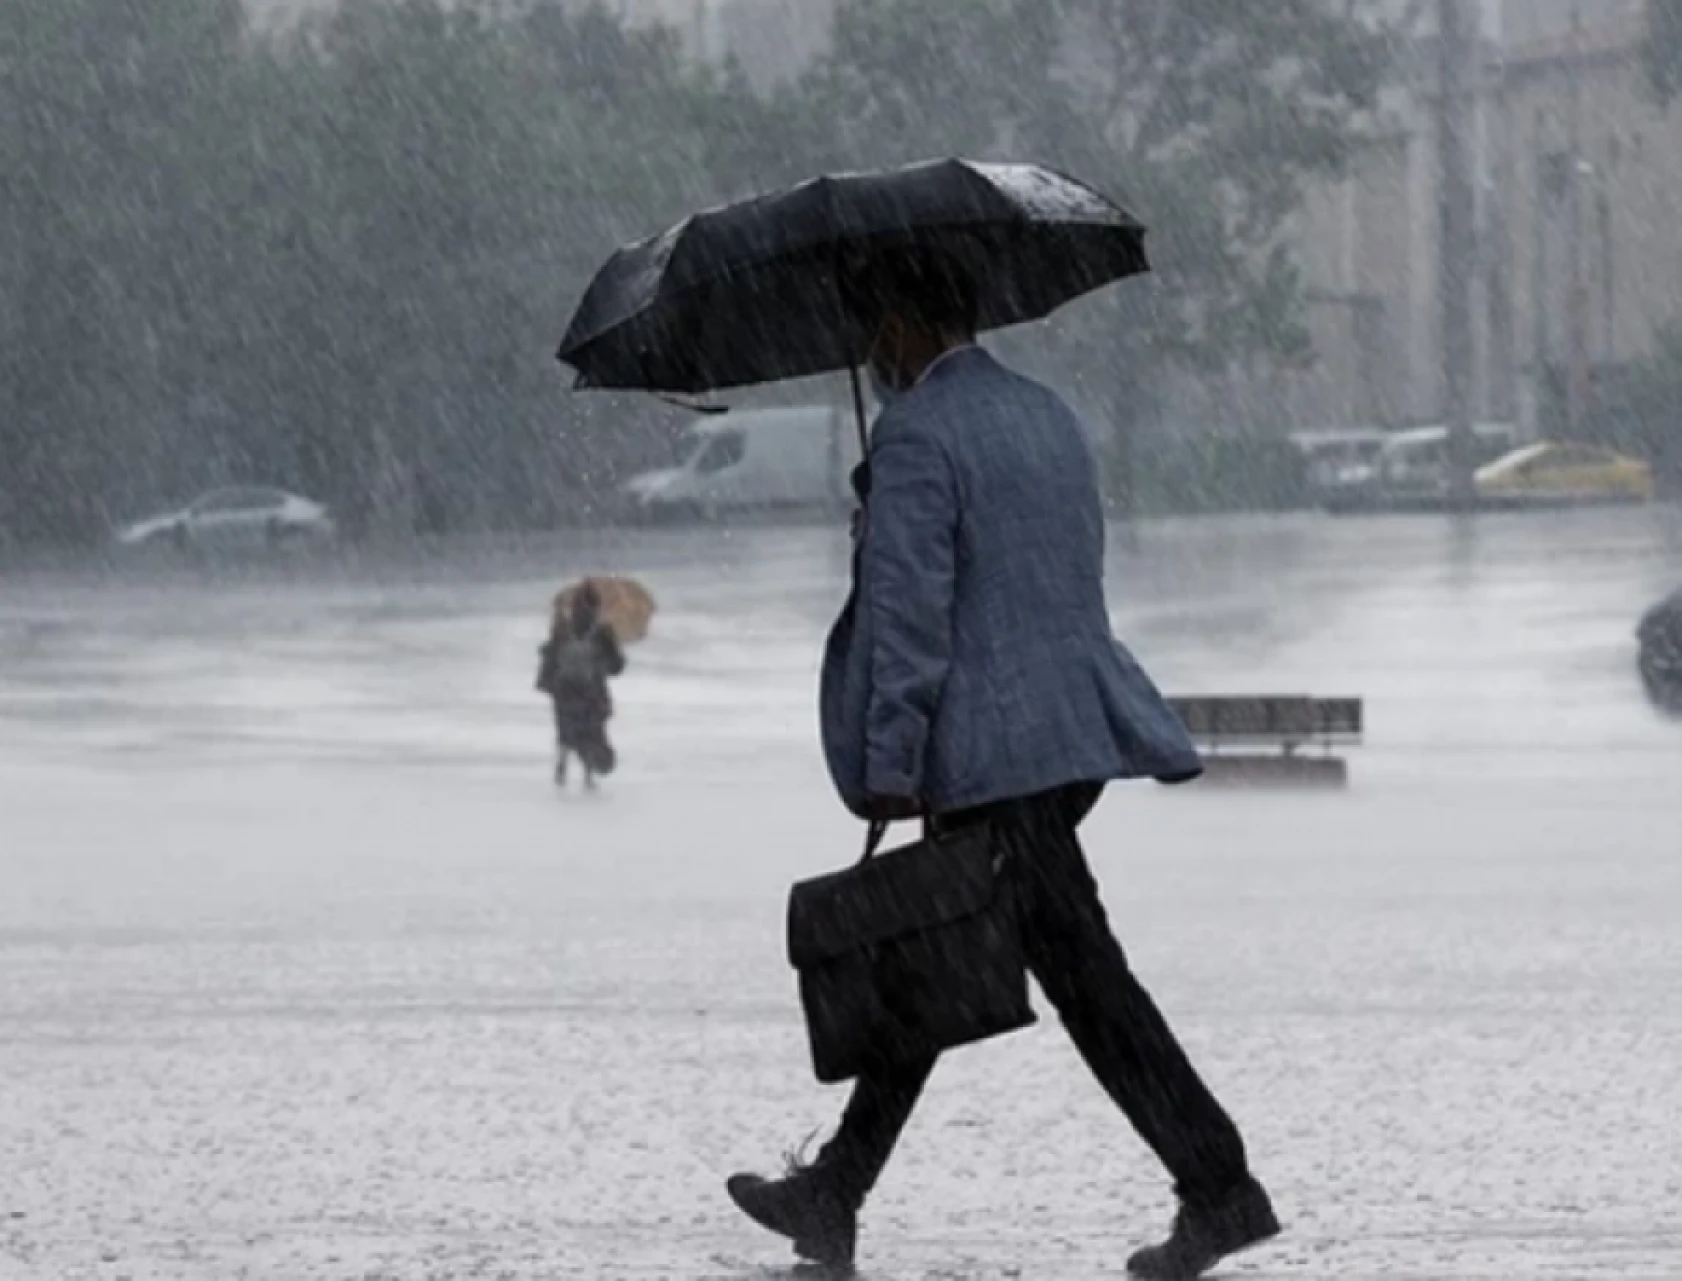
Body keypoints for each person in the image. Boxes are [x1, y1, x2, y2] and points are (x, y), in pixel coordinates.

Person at [725, 246, 1277, 1280]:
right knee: (936, 957)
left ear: (899, 320)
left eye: (868, 328)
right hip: (1064, 740)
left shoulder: (918, 437)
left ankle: (1219, 1188)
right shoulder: (1047, 416)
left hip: (987, 758)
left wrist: (890, 760)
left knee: (1079, 982)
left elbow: (911, 621)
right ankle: (833, 1192)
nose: (866, 352)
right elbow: (1046, 579)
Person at [535, 582, 625, 789]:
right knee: (592, 731)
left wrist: (548, 683)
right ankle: (587, 773)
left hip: (566, 690)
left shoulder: (563, 629)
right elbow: (616, 666)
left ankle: (564, 764)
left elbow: (550, 657)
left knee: (568, 730)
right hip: (591, 691)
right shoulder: (602, 633)